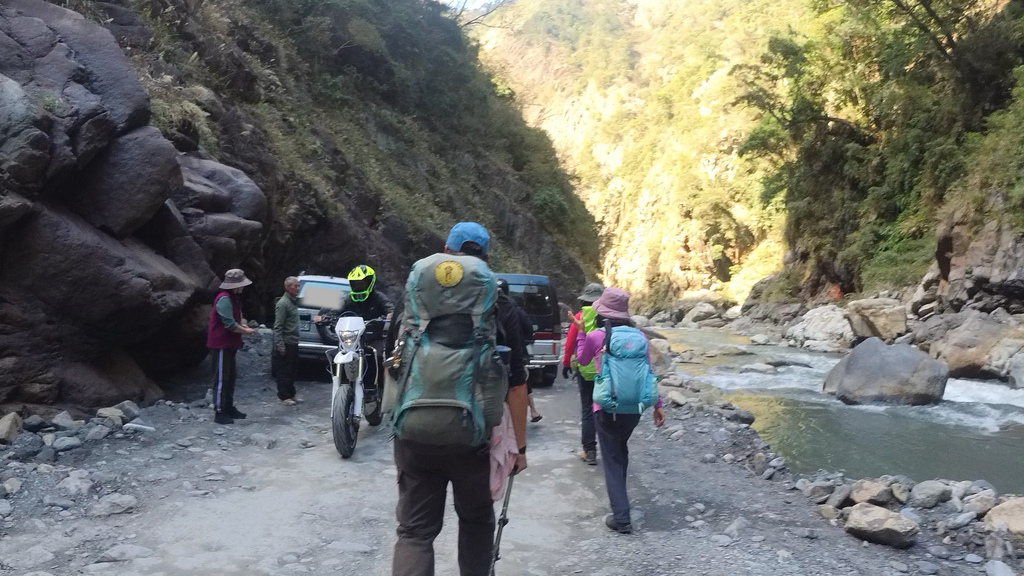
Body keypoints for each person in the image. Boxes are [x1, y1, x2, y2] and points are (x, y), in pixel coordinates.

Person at [391, 222, 529, 576]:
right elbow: (516, 383)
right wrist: (520, 449)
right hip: (474, 439)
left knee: (415, 532)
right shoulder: (502, 305)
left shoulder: (413, 295)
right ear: (485, 258)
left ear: (445, 251)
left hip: (414, 433)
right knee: (476, 522)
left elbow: (391, 363)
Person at [573, 287, 665, 534]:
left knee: (612, 457)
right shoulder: (641, 338)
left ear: (603, 313)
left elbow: (581, 361)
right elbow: (650, 372)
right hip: (634, 408)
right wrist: (658, 405)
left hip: (606, 406)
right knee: (619, 450)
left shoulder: (598, 336)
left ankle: (621, 517)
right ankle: (621, 501)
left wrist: (581, 334)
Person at [207, 269, 257, 425]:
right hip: (221, 344)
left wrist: (242, 324)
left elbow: (236, 319)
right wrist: (246, 330)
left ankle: (228, 407)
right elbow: (229, 325)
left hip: (229, 344)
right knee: (221, 378)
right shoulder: (224, 299)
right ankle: (219, 411)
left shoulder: (233, 299)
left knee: (230, 377)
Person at [562, 282, 605, 465]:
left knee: (587, 409)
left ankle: (590, 451)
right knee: (604, 408)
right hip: (604, 370)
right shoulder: (607, 318)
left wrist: (565, 364)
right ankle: (610, 450)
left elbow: (571, 343)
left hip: (584, 369)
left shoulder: (579, 317)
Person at [498, 278, 542, 422]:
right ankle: (532, 411)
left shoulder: (485, 307)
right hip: (516, 353)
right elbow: (528, 328)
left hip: (492, 355)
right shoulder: (514, 308)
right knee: (520, 381)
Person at [273, 276, 301, 406]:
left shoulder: (293, 302)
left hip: (294, 341)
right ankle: (284, 396)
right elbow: (278, 326)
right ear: (287, 287)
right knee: (284, 371)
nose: (297, 288)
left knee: (292, 370)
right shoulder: (283, 303)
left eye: (298, 286)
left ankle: (291, 393)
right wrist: (280, 345)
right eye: (295, 286)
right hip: (286, 341)